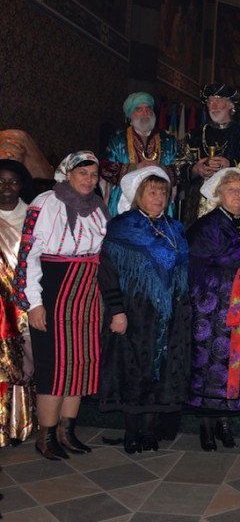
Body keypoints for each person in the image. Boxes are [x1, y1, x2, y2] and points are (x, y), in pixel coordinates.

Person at [13, 151, 109, 460]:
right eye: (83, 173)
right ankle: (47, 436)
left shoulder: (98, 206)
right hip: (55, 289)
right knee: (55, 366)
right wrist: (35, 304)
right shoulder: (46, 203)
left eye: (94, 175)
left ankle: (68, 433)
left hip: (87, 292)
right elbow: (29, 256)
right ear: (67, 174)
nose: (89, 180)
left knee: (80, 365)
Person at [98, 167, 191, 454]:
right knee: (132, 371)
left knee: (159, 373)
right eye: (152, 192)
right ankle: (131, 433)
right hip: (134, 311)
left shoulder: (175, 228)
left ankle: (149, 433)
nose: (159, 197)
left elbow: (182, 273)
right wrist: (117, 311)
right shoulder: (123, 227)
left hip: (167, 313)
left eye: (163, 192)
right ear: (139, 195)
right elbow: (108, 273)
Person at [186, 168, 240, 451]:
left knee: (235, 361)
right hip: (211, 306)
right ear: (219, 194)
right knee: (208, 362)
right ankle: (206, 425)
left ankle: (225, 421)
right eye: (231, 189)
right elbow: (193, 265)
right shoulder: (207, 226)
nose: (237, 195)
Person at [174, 84, 240, 227]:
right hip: (196, 209)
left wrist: (232, 166)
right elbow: (177, 166)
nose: (213, 105)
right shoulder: (194, 136)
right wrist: (194, 169)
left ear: (231, 105)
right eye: (210, 102)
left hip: (233, 209)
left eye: (219, 101)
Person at [0, 159, 35, 446]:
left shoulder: (34, 217)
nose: (6, 187)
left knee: (22, 361)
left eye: (12, 182)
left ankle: (19, 424)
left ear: (22, 185)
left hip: (24, 302)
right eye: (0, 181)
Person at [100, 92, 178, 217]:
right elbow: (105, 168)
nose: (145, 113)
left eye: (148, 109)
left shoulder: (168, 139)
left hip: (159, 203)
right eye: (139, 109)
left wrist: (161, 168)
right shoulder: (118, 139)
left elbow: (180, 169)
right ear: (130, 115)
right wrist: (135, 167)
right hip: (124, 203)